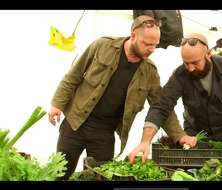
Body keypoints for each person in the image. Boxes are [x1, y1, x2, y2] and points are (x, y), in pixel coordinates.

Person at [47, 15, 197, 181]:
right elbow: (73, 76)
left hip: (104, 134)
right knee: (59, 175)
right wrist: (57, 104)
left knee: (102, 177)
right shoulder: (102, 46)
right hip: (75, 124)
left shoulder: (150, 72)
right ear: (133, 36)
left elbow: (161, 108)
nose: (152, 49)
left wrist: (180, 135)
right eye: (147, 44)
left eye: (155, 45)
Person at [128, 33, 222, 164]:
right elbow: (160, 107)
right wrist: (145, 141)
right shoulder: (180, 75)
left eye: (195, 62)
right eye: (186, 63)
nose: (190, 68)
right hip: (195, 140)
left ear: (208, 54)